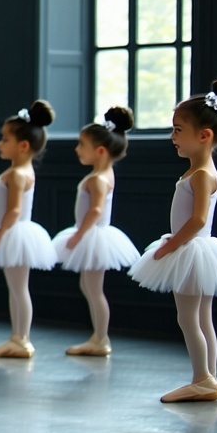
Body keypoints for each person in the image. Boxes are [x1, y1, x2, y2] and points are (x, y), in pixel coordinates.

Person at [129, 80, 217, 402]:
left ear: (204, 135)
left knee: (188, 317)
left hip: (191, 249)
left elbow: (197, 220)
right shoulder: (201, 170)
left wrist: (170, 245)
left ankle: (202, 379)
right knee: (201, 317)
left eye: (178, 130)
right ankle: (208, 376)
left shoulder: (201, 174)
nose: (173, 137)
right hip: (197, 250)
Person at [0, 101, 58, 358]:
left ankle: (22, 338)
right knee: (17, 288)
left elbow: (14, 210)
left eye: (5, 139)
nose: (0, 143)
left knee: (18, 288)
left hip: (14, 232)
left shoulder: (18, 173)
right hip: (14, 232)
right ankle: (18, 336)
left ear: (23, 145)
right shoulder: (19, 170)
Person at [49, 107, 141, 356]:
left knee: (93, 289)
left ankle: (101, 338)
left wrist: (79, 235)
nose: (77, 149)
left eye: (82, 144)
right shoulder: (102, 174)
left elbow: (96, 210)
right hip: (94, 234)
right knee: (89, 287)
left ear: (100, 150)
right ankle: (98, 336)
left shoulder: (99, 179)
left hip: (94, 234)